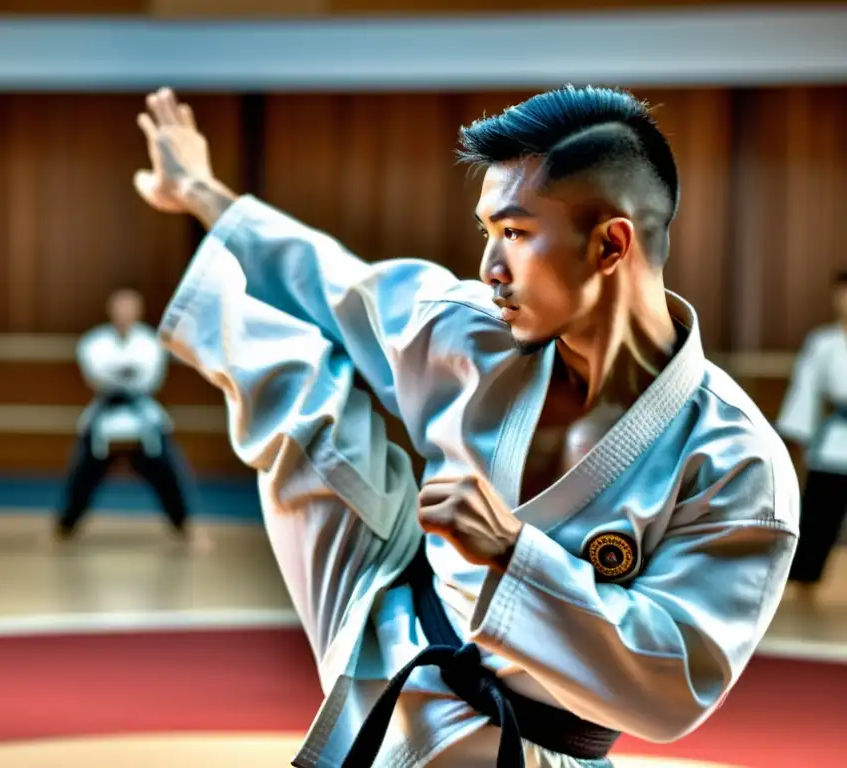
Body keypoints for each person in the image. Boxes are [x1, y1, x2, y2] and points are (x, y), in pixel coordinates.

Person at [136, 86, 799, 767]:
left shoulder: (736, 463)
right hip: (387, 622)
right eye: (488, 233)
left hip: (539, 737)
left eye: (513, 233)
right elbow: (331, 284)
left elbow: (674, 688)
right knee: (294, 371)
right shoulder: (470, 330)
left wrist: (516, 554)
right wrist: (200, 191)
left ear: (610, 244)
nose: (490, 268)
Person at [56, 287, 209, 552]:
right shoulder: (93, 342)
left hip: (143, 415)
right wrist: (121, 375)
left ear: (139, 311)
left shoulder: (152, 343)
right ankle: (63, 528)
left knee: (167, 470)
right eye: (119, 307)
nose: (124, 313)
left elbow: (148, 379)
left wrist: (117, 375)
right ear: (110, 309)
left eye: (129, 308)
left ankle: (185, 526)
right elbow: (97, 377)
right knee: (83, 470)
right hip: (105, 414)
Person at [776, 271, 847, 600]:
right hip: (833, 444)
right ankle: (804, 582)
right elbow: (805, 392)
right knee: (819, 517)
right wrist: (796, 437)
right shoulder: (823, 343)